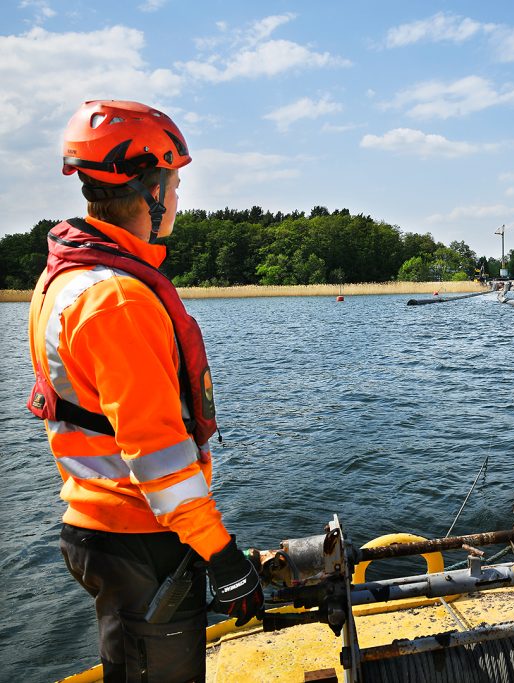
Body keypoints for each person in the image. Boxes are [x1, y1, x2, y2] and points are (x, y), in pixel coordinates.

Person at [26, 100, 263, 682]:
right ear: (151, 191)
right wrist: (221, 554)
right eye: (176, 183)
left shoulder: (65, 277)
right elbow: (157, 454)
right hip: (138, 538)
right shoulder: (118, 299)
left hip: (99, 526)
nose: (180, 198)